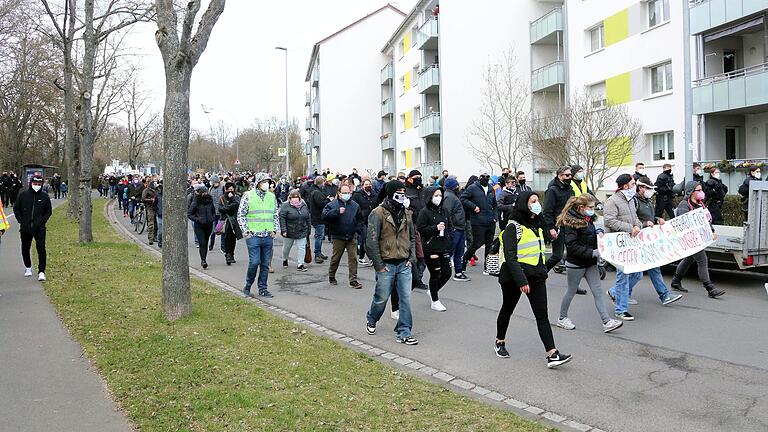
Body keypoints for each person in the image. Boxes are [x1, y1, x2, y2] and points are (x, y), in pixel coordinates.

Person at [494, 191, 572, 368]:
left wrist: (543, 272)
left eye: (538, 201)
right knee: (507, 309)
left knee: (542, 315)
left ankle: (552, 354)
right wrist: (521, 281)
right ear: (523, 204)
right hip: (514, 278)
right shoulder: (512, 227)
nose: (537, 204)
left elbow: (539, 252)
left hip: (536, 277)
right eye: (533, 201)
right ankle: (499, 341)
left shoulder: (536, 224)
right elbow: (511, 257)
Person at [555, 195, 624, 333]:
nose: (593, 210)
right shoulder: (570, 222)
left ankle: (607, 321)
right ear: (581, 208)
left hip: (590, 263)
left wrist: (597, 232)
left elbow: (587, 235)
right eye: (591, 208)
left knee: (598, 292)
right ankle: (562, 318)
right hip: (576, 264)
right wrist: (593, 253)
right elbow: (572, 246)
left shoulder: (587, 218)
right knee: (571, 291)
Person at [365, 180, 418, 345]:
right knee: (381, 298)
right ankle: (372, 318)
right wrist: (379, 265)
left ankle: (404, 332)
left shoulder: (406, 213)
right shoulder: (378, 213)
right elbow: (371, 241)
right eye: (399, 192)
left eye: (404, 192)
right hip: (386, 264)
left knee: (406, 299)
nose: (402, 195)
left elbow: (412, 237)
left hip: (404, 263)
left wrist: (411, 258)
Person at [626, 177, 684, 306]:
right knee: (635, 272)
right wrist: (645, 223)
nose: (651, 191)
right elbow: (632, 221)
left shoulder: (647, 201)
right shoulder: (634, 201)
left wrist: (657, 219)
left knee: (653, 268)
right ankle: (618, 292)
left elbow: (649, 218)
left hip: (648, 241)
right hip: (638, 242)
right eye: (648, 188)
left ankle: (664, 295)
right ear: (640, 188)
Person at [670, 182, 726, 298]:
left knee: (689, 259)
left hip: (698, 238)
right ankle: (710, 288)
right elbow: (682, 223)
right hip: (690, 239)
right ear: (691, 192)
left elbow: (706, 220)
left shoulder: (700, 205)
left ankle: (676, 281)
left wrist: (711, 231)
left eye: (701, 190)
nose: (701, 192)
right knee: (702, 260)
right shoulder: (684, 205)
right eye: (698, 190)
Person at [603, 174, 642, 321]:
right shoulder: (612, 201)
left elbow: (635, 218)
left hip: (631, 243)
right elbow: (609, 221)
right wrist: (629, 228)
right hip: (618, 244)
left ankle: (614, 293)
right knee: (623, 277)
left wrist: (638, 225)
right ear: (625, 186)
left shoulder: (631, 200)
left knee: (637, 274)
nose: (635, 186)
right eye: (633, 184)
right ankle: (621, 310)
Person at [238, 173, 278, 298]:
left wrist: (274, 230)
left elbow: (275, 214)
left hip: (267, 235)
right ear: (258, 182)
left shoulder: (271, 196)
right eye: (264, 181)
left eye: (268, 181)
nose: (267, 184)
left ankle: (263, 288)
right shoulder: (248, 195)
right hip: (253, 236)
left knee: (265, 264)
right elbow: (241, 215)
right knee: (255, 262)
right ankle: (248, 286)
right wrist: (246, 231)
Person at [416, 186, 453, 311]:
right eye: (436, 195)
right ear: (430, 197)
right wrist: (435, 228)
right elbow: (420, 229)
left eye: (440, 195)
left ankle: (433, 291)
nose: (439, 198)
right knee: (435, 274)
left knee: (447, 273)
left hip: (444, 246)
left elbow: (450, 226)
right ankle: (435, 300)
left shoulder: (445, 210)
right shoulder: (424, 212)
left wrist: (449, 239)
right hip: (431, 247)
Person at [322, 184, 364, 288]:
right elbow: (324, 216)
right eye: (344, 193)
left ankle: (353, 280)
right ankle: (332, 275)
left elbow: (360, 219)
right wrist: (336, 212)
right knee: (336, 258)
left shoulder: (355, 205)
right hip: (338, 236)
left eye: (348, 193)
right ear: (339, 193)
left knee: (353, 258)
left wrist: (357, 230)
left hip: (351, 236)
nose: (346, 195)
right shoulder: (332, 204)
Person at [14, 174, 52, 281]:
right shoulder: (23, 195)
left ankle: (41, 271)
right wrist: (21, 220)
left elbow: (48, 211)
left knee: (41, 248)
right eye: (35, 183)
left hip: (39, 228)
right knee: (25, 248)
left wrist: (41, 221)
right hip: (25, 228)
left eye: (39, 184)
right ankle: (28, 267)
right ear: (31, 183)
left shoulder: (44, 196)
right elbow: (16, 208)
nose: (37, 185)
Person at [461, 169, 497, 275]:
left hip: (491, 221)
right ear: (479, 177)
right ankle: (465, 259)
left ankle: (487, 267)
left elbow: (495, 205)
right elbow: (463, 198)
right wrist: (473, 207)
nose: (485, 178)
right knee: (477, 243)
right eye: (483, 176)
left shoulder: (491, 189)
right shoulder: (472, 188)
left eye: (487, 176)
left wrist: (495, 217)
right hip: (478, 221)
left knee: (489, 245)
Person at [542, 166, 575, 272]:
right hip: (558, 226)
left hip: (570, 226)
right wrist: (551, 228)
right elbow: (547, 212)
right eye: (567, 175)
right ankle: (542, 272)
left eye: (570, 175)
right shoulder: (552, 190)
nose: (570, 177)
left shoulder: (570, 190)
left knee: (572, 256)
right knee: (557, 256)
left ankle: (573, 285)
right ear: (560, 176)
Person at [404, 170, 427, 289]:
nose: (418, 178)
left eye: (420, 177)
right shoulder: (406, 191)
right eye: (416, 177)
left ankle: (418, 278)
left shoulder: (423, 191)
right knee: (416, 256)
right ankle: (414, 280)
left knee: (423, 256)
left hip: (424, 227)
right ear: (410, 178)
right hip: (412, 228)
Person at [443, 177, 469, 281]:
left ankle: (458, 272)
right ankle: (444, 272)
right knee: (451, 251)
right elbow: (447, 213)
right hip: (455, 229)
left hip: (460, 228)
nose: (458, 187)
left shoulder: (453, 196)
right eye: (456, 185)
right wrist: (451, 228)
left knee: (459, 251)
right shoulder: (449, 197)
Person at [279, 189, 311, 272]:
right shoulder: (285, 206)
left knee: (301, 247)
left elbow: (307, 217)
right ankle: (285, 259)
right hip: (289, 231)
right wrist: (284, 230)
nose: (295, 198)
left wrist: (308, 229)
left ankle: (301, 264)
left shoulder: (304, 205)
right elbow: (282, 218)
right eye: (293, 197)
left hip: (302, 230)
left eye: (297, 197)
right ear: (289, 198)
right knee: (287, 247)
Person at [187, 183, 216, 269]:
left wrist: (212, 218)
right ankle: (203, 260)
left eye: (206, 192)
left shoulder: (210, 201)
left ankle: (204, 258)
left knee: (206, 242)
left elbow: (213, 211)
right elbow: (189, 214)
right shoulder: (196, 202)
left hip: (209, 224)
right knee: (202, 242)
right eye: (203, 192)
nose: (205, 194)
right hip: (199, 225)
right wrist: (197, 219)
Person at [353, 179, 376, 267]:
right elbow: (354, 206)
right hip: (362, 220)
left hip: (372, 220)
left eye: (369, 184)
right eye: (366, 184)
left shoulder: (374, 195)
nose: (368, 186)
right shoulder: (357, 195)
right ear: (362, 186)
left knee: (364, 240)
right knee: (366, 239)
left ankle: (361, 257)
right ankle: (371, 258)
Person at [308, 176, 331, 263]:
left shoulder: (314, 190)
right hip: (318, 217)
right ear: (322, 183)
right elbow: (321, 204)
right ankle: (317, 254)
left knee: (320, 236)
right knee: (319, 236)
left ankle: (319, 252)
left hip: (317, 217)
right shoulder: (316, 192)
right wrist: (328, 200)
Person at [219, 182, 242, 264]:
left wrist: (232, 199)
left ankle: (231, 254)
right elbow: (220, 208)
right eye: (228, 190)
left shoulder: (237, 197)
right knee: (226, 238)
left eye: (231, 189)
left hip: (234, 220)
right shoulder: (222, 197)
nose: (230, 191)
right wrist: (227, 208)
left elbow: (239, 205)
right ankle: (227, 254)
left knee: (233, 239)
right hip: (225, 220)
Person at [208, 175, 225, 252]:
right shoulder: (210, 189)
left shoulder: (222, 188)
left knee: (221, 230)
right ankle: (211, 245)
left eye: (212, 181)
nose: (211, 182)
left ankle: (223, 247)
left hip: (221, 212)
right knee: (213, 231)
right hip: (213, 213)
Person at [142, 180, 158, 245]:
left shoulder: (156, 190)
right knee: (151, 224)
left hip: (156, 207)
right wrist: (151, 200)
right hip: (150, 207)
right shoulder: (146, 190)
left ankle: (155, 236)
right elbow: (143, 198)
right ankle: (150, 238)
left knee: (156, 224)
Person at [155, 181, 164, 248]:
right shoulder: (157, 195)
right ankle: (160, 241)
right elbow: (154, 203)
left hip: (167, 215)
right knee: (161, 230)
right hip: (160, 214)